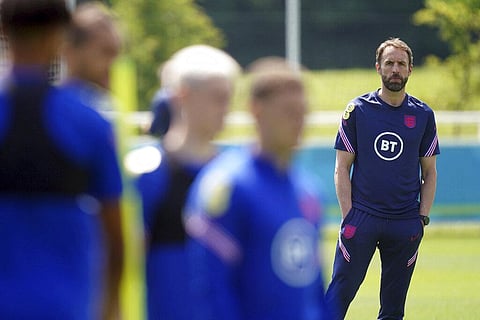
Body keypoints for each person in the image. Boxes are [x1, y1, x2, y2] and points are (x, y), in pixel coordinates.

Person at [0, 1, 124, 319]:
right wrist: (110, 309)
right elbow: (115, 236)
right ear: (60, 37)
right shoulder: (88, 121)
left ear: (3, 32)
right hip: (66, 304)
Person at [183, 57, 329, 320]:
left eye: (302, 111)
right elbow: (210, 289)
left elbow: (315, 289)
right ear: (256, 110)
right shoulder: (228, 186)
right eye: (288, 111)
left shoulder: (308, 192)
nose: (298, 121)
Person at [325, 38, 440, 320]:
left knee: (393, 308)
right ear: (378, 67)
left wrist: (421, 217)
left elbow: (430, 172)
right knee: (338, 296)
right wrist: (349, 215)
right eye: (389, 63)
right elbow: (342, 167)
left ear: (411, 69)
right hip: (363, 217)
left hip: (404, 222)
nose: (395, 69)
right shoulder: (358, 110)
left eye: (401, 64)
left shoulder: (423, 115)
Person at [133, 44, 240, 320]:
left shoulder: (235, 175)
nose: (225, 109)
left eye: (228, 98)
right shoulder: (147, 173)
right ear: (183, 96)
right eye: (217, 98)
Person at [62, 1, 122, 113]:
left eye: (116, 54)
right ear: (70, 52)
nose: (113, 63)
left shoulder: (110, 107)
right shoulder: (52, 112)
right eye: (106, 52)